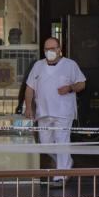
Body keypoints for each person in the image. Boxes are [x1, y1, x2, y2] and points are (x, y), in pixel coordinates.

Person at [24, 37, 86, 185]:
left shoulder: (70, 65)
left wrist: (70, 88)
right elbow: (29, 88)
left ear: (59, 49)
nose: (49, 52)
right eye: (46, 49)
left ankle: (61, 175)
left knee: (62, 142)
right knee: (45, 144)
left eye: (52, 49)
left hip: (63, 112)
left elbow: (82, 84)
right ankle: (66, 162)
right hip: (43, 112)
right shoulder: (38, 66)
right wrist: (28, 107)